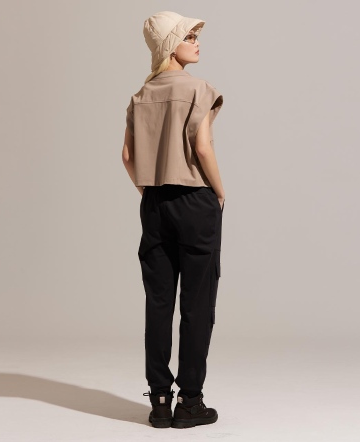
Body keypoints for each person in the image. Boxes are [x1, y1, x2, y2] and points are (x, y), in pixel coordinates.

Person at [122, 11, 225, 429]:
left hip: (155, 203)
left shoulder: (140, 95)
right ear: (171, 44)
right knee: (197, 305)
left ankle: (160, 400)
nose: (197, 42)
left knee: (159, 303)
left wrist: (149, 192)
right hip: (195, 201)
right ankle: (191, 402)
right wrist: (219, 191)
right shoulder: (199, 89)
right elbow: (203, 147)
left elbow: (127, 157)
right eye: (189, 35)